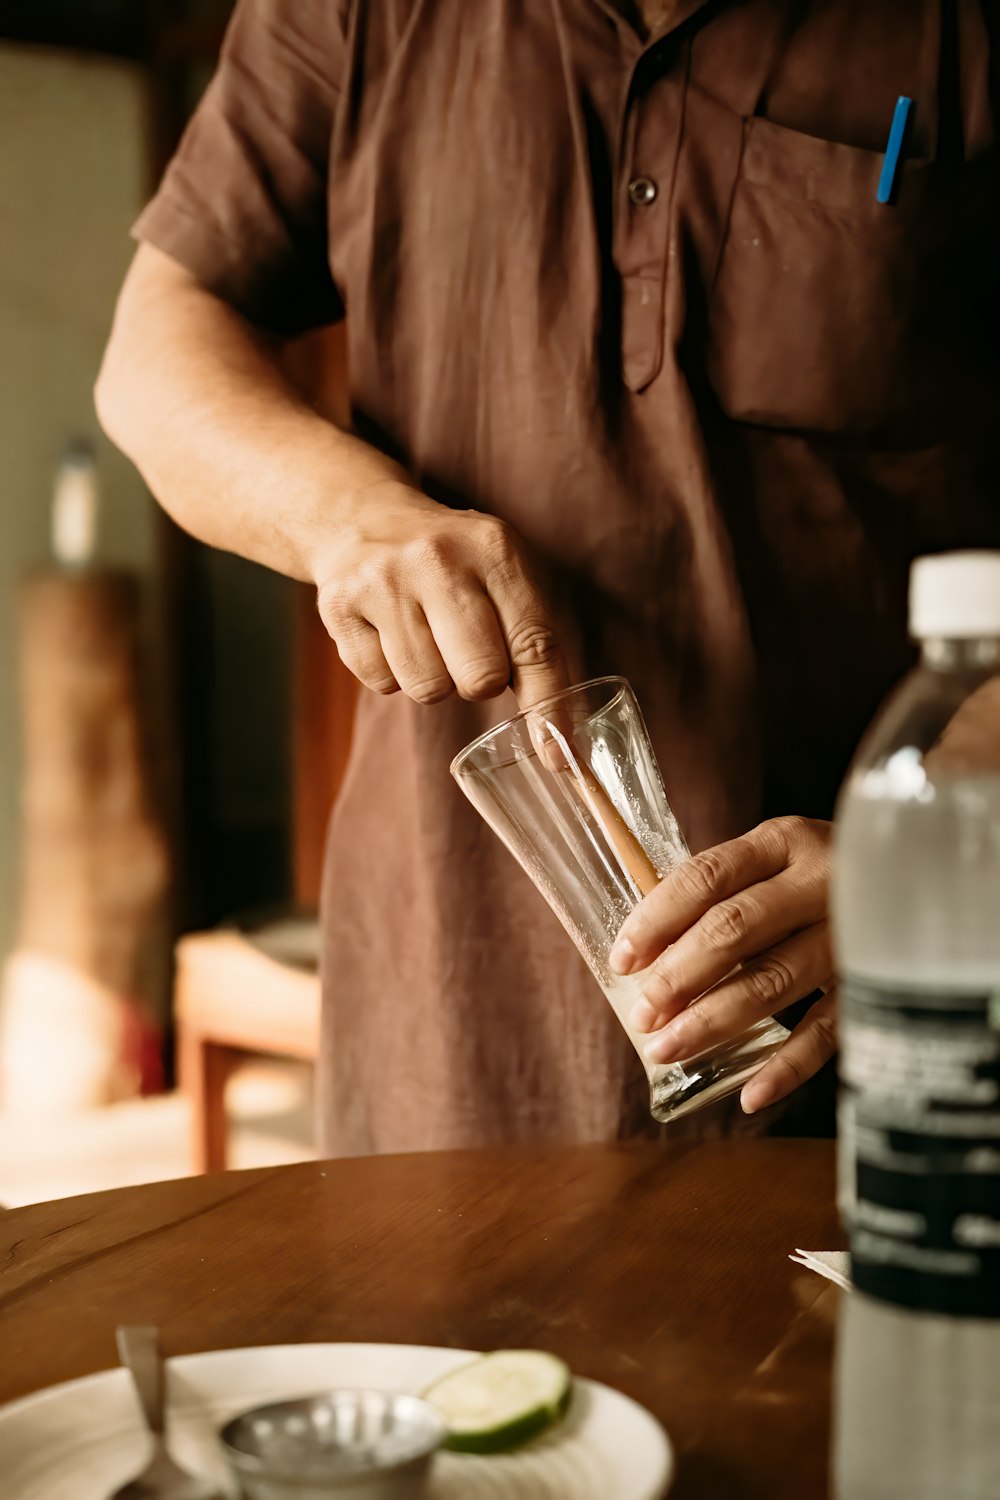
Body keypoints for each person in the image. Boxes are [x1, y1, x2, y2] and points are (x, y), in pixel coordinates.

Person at [96, 0, 1000, 1156]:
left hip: (890, 1015)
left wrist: (933, 843)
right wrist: (339, 514)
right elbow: (160, 335)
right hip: (449, 1010)